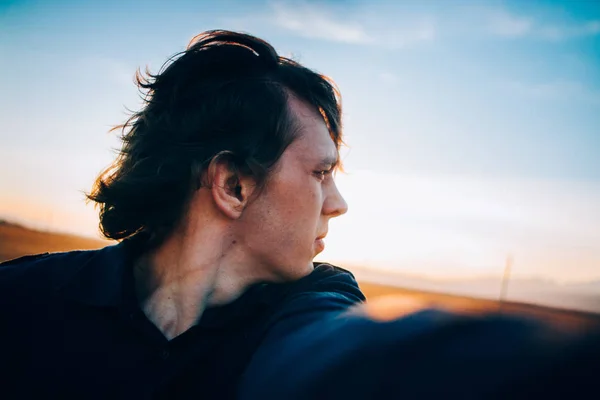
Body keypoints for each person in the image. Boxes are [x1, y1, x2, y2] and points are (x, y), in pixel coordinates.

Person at [0, 30, 598, 399]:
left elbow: (345, 359)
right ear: (233, 184)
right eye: (319, 173)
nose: (337, 203)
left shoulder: (313, 307)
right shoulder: (24, 301)